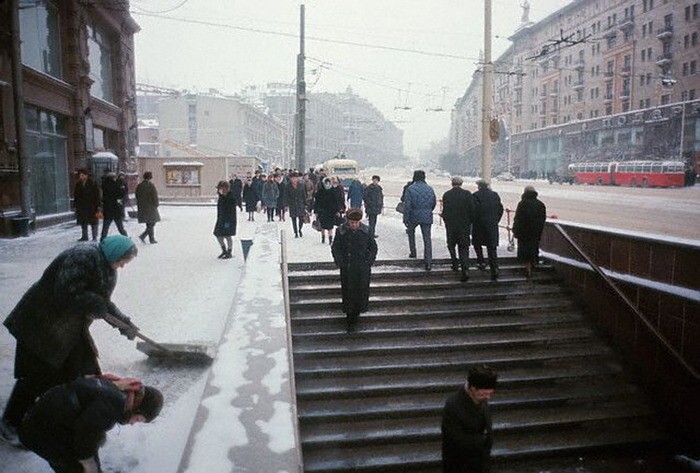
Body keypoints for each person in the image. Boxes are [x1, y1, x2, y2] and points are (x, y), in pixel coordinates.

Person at [0, 236, 140, 446]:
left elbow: (104, 303)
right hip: (40, 322)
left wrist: (124, 324)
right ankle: (10, 423)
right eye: (123, 261)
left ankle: (60, 415)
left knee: (77, 371)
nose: (121, 267)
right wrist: (96, 303)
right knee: (36, 375)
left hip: (67, 328)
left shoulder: (107, 267)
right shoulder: (83, 255)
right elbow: (67, 291)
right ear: (115, 253)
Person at [19, 374, 163, 473]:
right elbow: (85, 437)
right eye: (137, 419)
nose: (132, 423)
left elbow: (90, 433)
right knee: (77, 468)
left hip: (45, 422)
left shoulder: (119, 389)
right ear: (137, 407)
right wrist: (89, 465)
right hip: (40, 431)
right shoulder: (115, 404)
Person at [441, 365, 498, 473]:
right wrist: (483, 441)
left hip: (481, 463)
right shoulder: (453, 405)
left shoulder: (480, 398)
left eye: (490, 393)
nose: (488, 397)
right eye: (485, 393)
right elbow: (456, 440)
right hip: (461, 466)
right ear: (473, 389)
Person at [331, 209, 378, 333]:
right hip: (347, 267)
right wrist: (340, 261)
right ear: (348, 221)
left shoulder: (366, 231)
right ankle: (350, 319)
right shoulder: (341, 231)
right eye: (352, 222)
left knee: (360, 292)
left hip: (362, 268)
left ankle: (356, 315)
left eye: (356, 222)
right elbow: (336, 247)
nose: (354, 225)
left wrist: (369, 262)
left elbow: (373, 247)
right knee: (348, 292)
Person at [441, 176, 475, 282]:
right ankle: (465, 269)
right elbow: (472, 210)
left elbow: (445, 211)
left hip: (451, 225)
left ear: (452, 183)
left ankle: (454, 262)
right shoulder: (467, 194)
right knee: (464, 247)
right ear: (461, 184)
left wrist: (446, 221)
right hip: (464, 225)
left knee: (451, 244)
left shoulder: (447, 195)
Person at [403, 170, 436, 271]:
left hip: (414, 215)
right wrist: (427, 211)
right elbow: (433, 203)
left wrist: (405, 218)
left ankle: (413, 252)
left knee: (411, 232)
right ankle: (428, 262)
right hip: (427, 215)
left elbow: (407, 205)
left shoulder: (410, 189)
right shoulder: (430, 189)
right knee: (427, 238)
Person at [472, 179, 504, 281]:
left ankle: (481, 261)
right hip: (492, 225)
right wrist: (496, 220)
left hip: (479, 225)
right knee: (491, 247)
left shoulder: (475, 195)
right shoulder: (495, 195)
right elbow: (500, 209)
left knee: (477, 244)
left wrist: (474, 221)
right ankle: (494, 268)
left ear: (479, 186)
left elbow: (474, 210)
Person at [512, 185, 547, 278]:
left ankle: (527, 268)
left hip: (523, 233)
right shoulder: (540, 204)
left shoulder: (522, 203)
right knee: (533, 249)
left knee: (525, 250)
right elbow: (542, 219)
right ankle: (533, 264)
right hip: (535, 232)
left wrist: (515, 230)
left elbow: (518, 219)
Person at [73, 169, 101, 242]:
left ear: (86, 175)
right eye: (80, 175)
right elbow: (76, 195)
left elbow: (97, 194)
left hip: (92, 206)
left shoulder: (92, 183)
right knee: (83, 221)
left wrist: (98, 205)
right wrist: (76, 205)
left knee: (94, 222)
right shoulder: (78, 184)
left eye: (82, 175)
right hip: (82, 206)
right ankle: (84, 236)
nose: (81, 177)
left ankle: (94, 237)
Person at [100, 173, 128, 241]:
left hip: (107, 210)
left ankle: (102, 240)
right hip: (116, 210)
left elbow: (102, 198)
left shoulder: (104, 186)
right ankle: (126, 238)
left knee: (105, 228)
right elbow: (122, 194)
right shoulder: (117, 185)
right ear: (113, 178)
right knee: (120, 227)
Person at [134, 171, 160, 244]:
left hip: (142, 207)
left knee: (149, 223)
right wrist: (156, 204)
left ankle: (151, 239)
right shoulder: (151, 185)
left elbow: (137, 195)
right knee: (152, 223)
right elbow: (154, 196)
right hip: (150, 207)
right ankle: (145, 236)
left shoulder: (139, 185)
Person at [314, 177, 341, 245]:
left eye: (329, 183)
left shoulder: (333, 191)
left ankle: (330, 239)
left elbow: (336, 201)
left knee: (330, 227)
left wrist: (337, 210)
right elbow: (316, 202)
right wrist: (316, 211)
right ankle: (323, 237)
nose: (327, 184)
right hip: (322, 212)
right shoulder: (320, 192)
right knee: (323, 226)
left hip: (331, 212)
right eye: (326, 183)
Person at [213, 180, 237, 259]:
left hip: (228, 220)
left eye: (221, 188)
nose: (219, 190)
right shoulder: (221, 197)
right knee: (218, 234)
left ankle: (229, 251)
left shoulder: (230, 197)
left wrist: (228, 221)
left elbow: (231, 211)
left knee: (227, 235)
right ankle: (224, 250)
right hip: (221, 219)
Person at [286, 171, 308, 238]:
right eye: (293, 178)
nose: (294, 179)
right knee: (294, 219)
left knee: (301, 218)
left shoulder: (301, 185)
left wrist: (305, 203)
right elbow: (286, 196)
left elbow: (304, 195)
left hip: (300, 204)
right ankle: (295, 232)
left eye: (296, 178)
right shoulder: (288, 186)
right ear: (291, 179)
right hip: (292, 204)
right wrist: (287, 204)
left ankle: (300, 229)